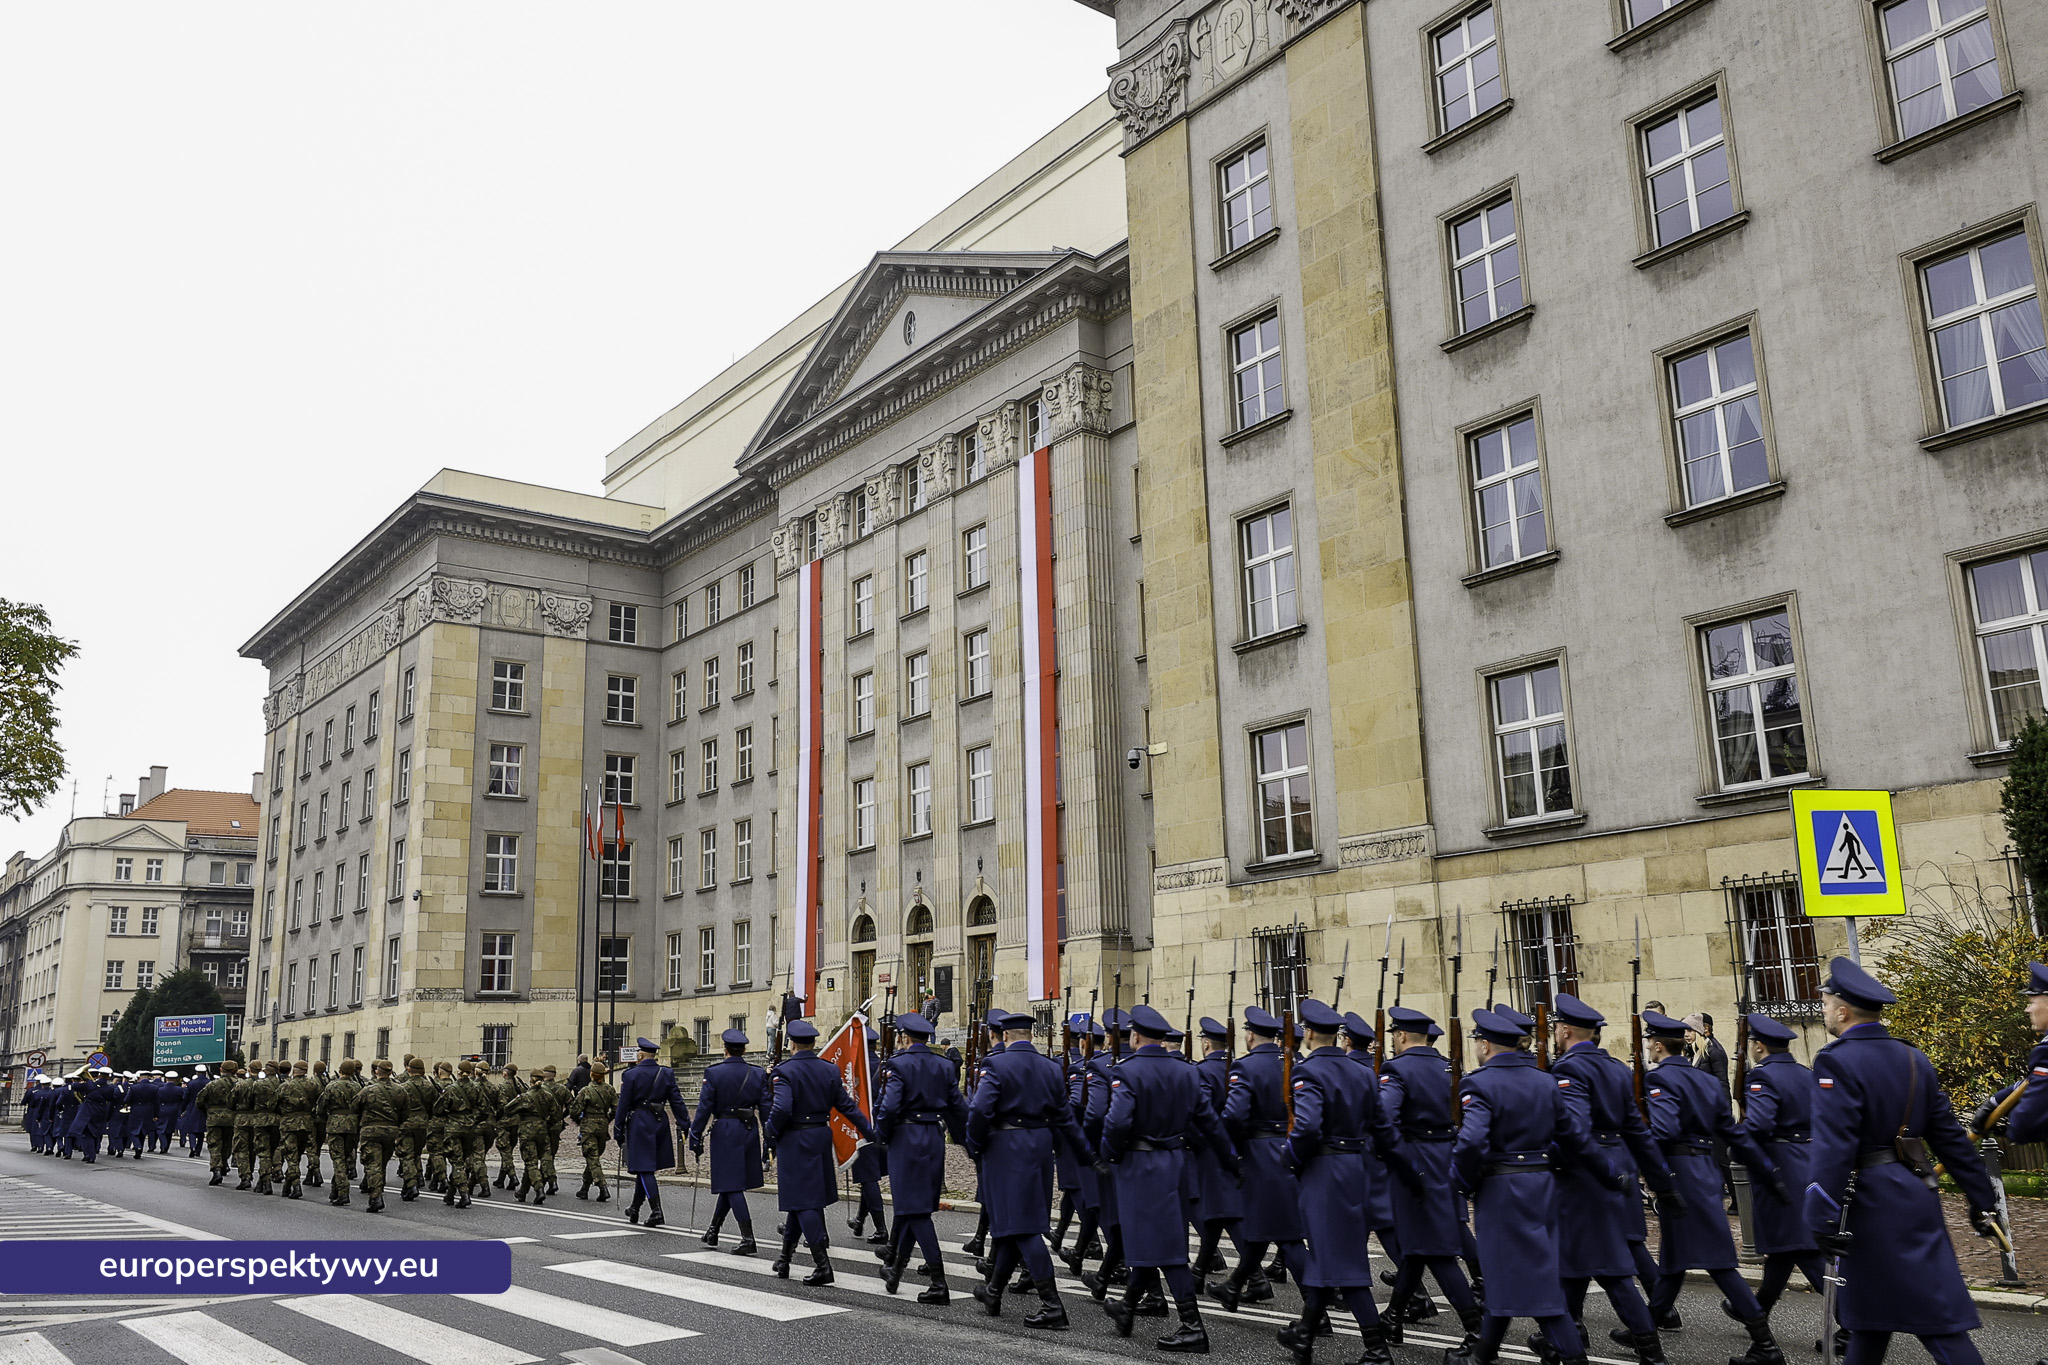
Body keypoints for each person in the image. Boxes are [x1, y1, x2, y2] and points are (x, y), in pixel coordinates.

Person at [1806, 956, 2002, 1365]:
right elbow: (1949, 1136)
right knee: (1869, 1321)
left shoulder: (1835, 1060)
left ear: (1842, 1011)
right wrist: (1982, 1198)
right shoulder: (1913, 1058)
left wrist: (1819, 1211)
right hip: (1914, 1191)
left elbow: (1833, 1145)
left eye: (1825, 1003)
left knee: (1937, 1323)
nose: (1822, 1010)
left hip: (1872, 1205)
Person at [1448, 1008, 1617, 1365]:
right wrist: (1610, 1172)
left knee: (1534, 1288)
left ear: (1485, 1045)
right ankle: (1480, 1357)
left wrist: (1461, 1184)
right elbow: (1575, 1139)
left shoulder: (1478, 1083)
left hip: (1501, 1191)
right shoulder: (1545, 1081)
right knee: (1506, 1278)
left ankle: (1573, 1358)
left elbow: (1472, 1142)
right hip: (1542, 1188)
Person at [1637, 1010, 1785, 1365]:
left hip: (1681, 1172)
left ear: (1657, 1046)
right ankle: (1645, 1327)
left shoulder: (1659, 1080)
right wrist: (1767, 1170)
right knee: (1673, 1261)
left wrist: (1638, 1156)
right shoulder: (1702, 1080)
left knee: (1719, 1263)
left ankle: (1764, 1343)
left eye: (1648, 1042)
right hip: (1704, 1170)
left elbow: (1664, 1130)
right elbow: (1733, 1131)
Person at [1545, 994, 1677, 1365]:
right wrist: (1661, 1182)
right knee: (1573, 1264)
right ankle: (1563, 1339)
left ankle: (1651, 1354)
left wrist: (1548, 1159)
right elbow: (1638, 1132)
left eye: (1557, 1027)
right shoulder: (1617, 1069)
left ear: (1566, 1030)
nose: (1554, 1033)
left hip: (1588, 1176)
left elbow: (1573, 1132)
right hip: (1616, 1165)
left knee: (1610, 1269)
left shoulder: (1569, 1069)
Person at [1280, 999, 1409, 1365]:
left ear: (1307, 1033)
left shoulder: (1308, 1073)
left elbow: (1306, 1128)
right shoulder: (1362, 1072)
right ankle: (1304, 1335)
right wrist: (1406, 1167)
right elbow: (1383, 1129)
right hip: (1356, 1169)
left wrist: (1289, 1158)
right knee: (1327, 1255)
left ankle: (1376, 1349)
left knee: (1342, 1264)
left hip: (1325, 1173)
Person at [1092, 1003, 1225, 1351]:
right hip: (1175, 1164)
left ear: (1135, 1036)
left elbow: (1117, 1121)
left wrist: (1108, 1154)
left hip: (1140, 1166)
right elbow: (1208, 1121)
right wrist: (1230, 1158)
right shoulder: (1187, 1071)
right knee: (1147, 1243)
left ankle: (1192, 1326)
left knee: (1165, 1250)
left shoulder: (1129, 1071)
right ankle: (1127, 1309)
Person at [967, 1007, 1091, 1328]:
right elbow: (1065, 1117)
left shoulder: (996, 1063)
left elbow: (980, 1108)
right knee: (1013, 1224)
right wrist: (1086, 1152)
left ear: (1005, 1036)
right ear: (1031, 1035)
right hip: (1039, 1149)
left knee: (1023, 1228)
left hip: (1007, 1150)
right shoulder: (1050, 1068)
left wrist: (975, 1143)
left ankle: (1053, 1305)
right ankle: (994, 1291)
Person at [1377, 1005, 1485, 1343]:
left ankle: (1477, 1329)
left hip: (1416, 1161)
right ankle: (1392, 1319)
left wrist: (1399, 1159)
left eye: (1395, 1035)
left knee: (1435, 1250)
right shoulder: (1448, 1068)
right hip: (1446, 1159)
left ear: (1402, 1035)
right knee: (1417, 1246)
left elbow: (1383, 1118)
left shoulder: (1396, 1069)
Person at [764, 1019, 875, 1283]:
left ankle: (822, 1265)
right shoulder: (828, 1070)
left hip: (795, 1139)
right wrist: (870, 1131)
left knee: (804, 1202)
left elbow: (781, 1109)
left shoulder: (785, 1072)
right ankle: (785, 1260)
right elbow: (847, 1106)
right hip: (820, 1136)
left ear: (791, 1043)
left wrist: (770, 1131)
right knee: (800, 1200)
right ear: (813, 1044)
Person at [1212, 1006, 1304, 1311]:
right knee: (1262, 1227)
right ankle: (1235, 1286)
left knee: (1287, 1235)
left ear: (1250, 1035)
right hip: (1290, 1146)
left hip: (1261, 1153)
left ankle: (1317, 1311)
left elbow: (1234, 1115)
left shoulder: (1246, 1067)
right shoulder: (1292, 1061)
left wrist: (1235, 1149)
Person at [873, 1012, 967, 1302]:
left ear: (904, 1036)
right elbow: (958, 1108)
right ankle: (896, 1270)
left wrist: (883, 1135)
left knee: (916, 1211)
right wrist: (964, 1140)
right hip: (934, 1137)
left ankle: (939, 1282)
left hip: (907, 1137)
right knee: (910, 1207)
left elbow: (888, 1108)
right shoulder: (943, 1064)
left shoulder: (898, 1065)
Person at [689, 1028, 767, 1253]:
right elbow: (766, 1108)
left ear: (725, 1050)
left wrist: (695, 1136)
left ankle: (748, 1238)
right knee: (728, 1182)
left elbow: (704, 1109)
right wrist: (769, 1137)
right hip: (749, 1129)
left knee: (732, 1185)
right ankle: (713, 1231)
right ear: (743, 1050)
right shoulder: (757, 1073)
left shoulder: (714, 1073)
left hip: (725, 1130)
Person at [614, 1035, 693, 1228]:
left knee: (644, 1167)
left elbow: (623, 1105)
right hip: (659, 1122)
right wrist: (685, 1123)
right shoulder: (666, 1074)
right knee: (646, 1168)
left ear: (640, 1054)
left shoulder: (630, 1075)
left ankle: (656, 1211)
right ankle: (634, 1207)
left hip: (640, 1122)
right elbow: (677, 1101)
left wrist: (618, 1128)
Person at [1188, 1017, 1244, 1284]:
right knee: (1215, 1210)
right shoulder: (1235, 1067)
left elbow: (1202, 1114)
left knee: (1223, 1210)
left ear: (1206, 1043)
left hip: (1212, 1149)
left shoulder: (1204, 1071)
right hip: (1237, 1145)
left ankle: (1254, 1275)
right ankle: (1199, 1271)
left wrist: (1196, 1142)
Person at [1981, 960, 2048, 1145]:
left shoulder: (2045, 1052)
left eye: (2032, 1001)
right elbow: (2032, 1082)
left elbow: (2028, 1121)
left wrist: (2011, 1125)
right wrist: (1995, 1101)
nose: (2028, 1009)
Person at [848, 1025, 891, 1247]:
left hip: (864, 1129)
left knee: (868, 1178)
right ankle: (859, 1220)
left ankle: (881, 1229)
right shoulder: (884, 1067)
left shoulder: (857, 1069)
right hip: (883, 1129)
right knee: (869, 1177)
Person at [355, 1058, 405, 1213]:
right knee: (382, 1162)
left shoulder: (368, 1090)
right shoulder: (400, 1090)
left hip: (371, 1131)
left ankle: (376, 1197)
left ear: (377, 1072)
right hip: (391, 1131)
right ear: (391, 1072)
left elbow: (355, 1107)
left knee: (373, 1164)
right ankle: (379, 1187)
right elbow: (405, 1112)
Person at [320, 1059, 364, 1207]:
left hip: (335, 1126)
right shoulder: (358, 1086)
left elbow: (321, 1106)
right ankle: (335, 1190)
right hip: (352, 1126)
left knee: (338, 1159)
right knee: (344, 1158)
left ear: (340, 1071)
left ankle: (343, 1192)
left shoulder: (332, 1086)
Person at [573, 1059, 617, 1202]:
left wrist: (581, 1121)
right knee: (594, 1158)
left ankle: (602, 1187)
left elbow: (574, 1111)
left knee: (592, 1158)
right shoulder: (609, 1089)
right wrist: (607, 1119)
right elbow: (616, 1108)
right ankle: (584, 1189)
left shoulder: (586, 1091)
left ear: (591, 1074)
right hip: (603, 1126)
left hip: (589, 1126)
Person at [275, 1061, 320, 1199]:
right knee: (298, 1154)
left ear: (294, 1070)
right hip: (307, 1123)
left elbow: (274, 1103)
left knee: (291, 1156)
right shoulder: (314, 1085)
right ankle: (287, 1186)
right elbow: (320, 1101)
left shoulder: (285, 1086)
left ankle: (296, 1186)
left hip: (289, 1124)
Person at [198, 1061, 239, 1183]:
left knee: (214, 1145)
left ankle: (216, 1169)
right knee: (228, 1144)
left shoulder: (212, 1084)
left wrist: (208, 1112)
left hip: (214, 1118)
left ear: (221, 1069)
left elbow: (199, 1101)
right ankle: (224, 1162)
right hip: (232, 1118)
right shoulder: (240, 1084)